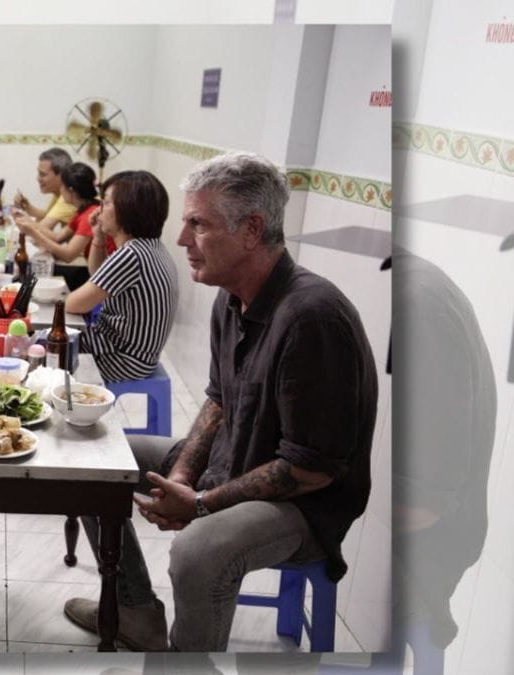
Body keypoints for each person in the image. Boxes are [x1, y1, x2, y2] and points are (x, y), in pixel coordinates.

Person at [62, 152, 378, 652]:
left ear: (252, 230)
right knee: (87, 463)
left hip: (303, 506)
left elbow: (311, 469)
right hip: (233, 465)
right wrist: (186, 475)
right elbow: (219, 401)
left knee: (198, 551)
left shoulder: (313, 318)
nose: (183, 239)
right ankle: (137, 612)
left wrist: (203, 503)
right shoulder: (232, 298)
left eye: (197, 225)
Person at [61, 170, 177, 383]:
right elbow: (98, 273)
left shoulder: (132, 254)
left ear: (126, 211)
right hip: (140, 356)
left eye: (105, 203)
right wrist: (98, 234)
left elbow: (73, 304)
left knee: (42, 348)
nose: (99, 209)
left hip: (121, 358)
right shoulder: (150, 247)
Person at [15, 161, 104, 263]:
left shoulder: (90, 215)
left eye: (62, 186)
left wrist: (32, 232)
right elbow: (58, 237)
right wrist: (29, 223)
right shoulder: (83, 209)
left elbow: (68, 256)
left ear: (72, 191)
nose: (60, 190)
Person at [11, 147, 76, 243]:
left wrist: (25, 221)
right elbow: (47, 216)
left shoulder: (68, 198)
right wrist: (28, 208)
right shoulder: (58, 193)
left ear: (62, 176)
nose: (38, 178)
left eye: (43, 174)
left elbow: (40, 230)